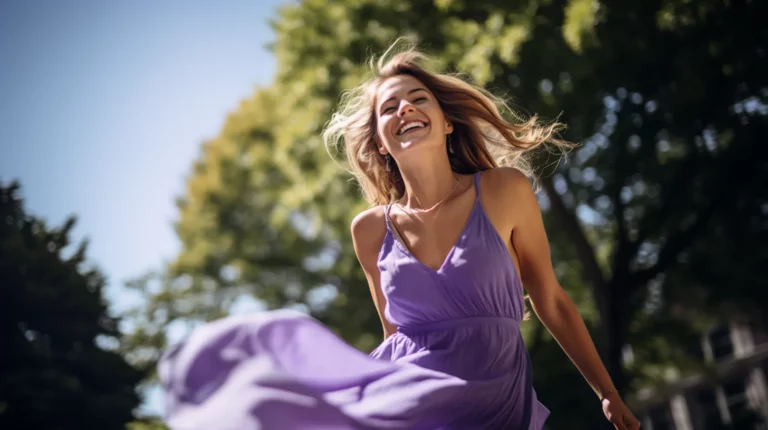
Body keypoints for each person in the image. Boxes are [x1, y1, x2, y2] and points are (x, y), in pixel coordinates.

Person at [158, 41, 641, 430]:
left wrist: (607, 394)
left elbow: (550, 299)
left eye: (417, 99)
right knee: (275, 400)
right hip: (414, 393)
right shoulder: (369, 230)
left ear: (447, 121)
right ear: (381, 141)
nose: (404, 109)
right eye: (390, 107)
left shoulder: (503, 191)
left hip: (493, 393)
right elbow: (395, 337)